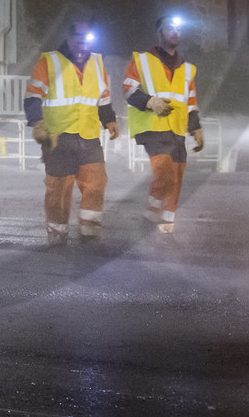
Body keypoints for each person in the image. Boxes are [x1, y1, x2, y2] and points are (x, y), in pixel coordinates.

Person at [25, 20, 119, 245]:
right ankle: (57, 236)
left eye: (87, 39)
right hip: (57, 138)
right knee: (58, 190)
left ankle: (90, 233)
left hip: (88, 136)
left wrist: (109, 120)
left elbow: (103, 98)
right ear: (68, 38)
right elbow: (32, 97)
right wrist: (37, 123)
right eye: (78, 38)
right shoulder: (49, 62)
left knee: (96, 183)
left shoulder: (97, 63)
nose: (83, 43)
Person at [123, 16, 205, 234]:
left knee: (176, 176)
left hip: (176, 128)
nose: (175, 32)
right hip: (152, 127)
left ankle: (166, 226)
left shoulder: (187, 69)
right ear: (159, 33)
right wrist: (151, 102)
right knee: (166, 173)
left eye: (178, 28)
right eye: (170, 28)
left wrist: (195, 128)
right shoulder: (141, 60)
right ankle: (151, 214)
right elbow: (129, 90)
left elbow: (190, 102)